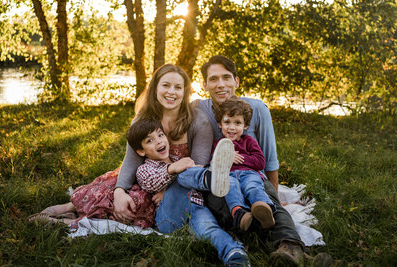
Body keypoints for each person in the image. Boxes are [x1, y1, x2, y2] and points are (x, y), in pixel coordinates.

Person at [112, 64, 251, 266]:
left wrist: (181, 173)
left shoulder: (198, 121)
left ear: (185, 91)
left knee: (208, 227)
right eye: (166, 85)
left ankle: (234, 254)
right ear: (155, 88)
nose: (171, 92)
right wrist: (119, 190)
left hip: (195, 200)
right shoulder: (142, 125)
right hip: (167, 209)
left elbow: (199, 162)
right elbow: (131, 163)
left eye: (178, 87)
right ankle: (210, 177)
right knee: (187, 169)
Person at [195, 55, 306, 265]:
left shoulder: (257, 109)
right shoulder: (197, 109)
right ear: (204, 84)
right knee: (220, 204)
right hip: (220, 179)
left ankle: (290, 247)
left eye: (226, 78)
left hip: (253, 175)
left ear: (236, 81)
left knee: (267, 201)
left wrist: (273, 192)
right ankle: (253, 230)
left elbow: (269, 161)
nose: (221, 85)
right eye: (213, 79)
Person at [176, 96, 277, 232]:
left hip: (249, 174)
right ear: (220, 124)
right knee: (231, 189)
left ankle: (264, 209)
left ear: (245, 125)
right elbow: (213, 164)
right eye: (227, 122)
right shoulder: (218, 144)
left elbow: (260, 162)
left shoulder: (249, 141)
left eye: (237, 123)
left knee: (252, 187)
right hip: (228, 176)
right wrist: (226, 157)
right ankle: (240, 214)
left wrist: (242, 158)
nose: (231, 127)